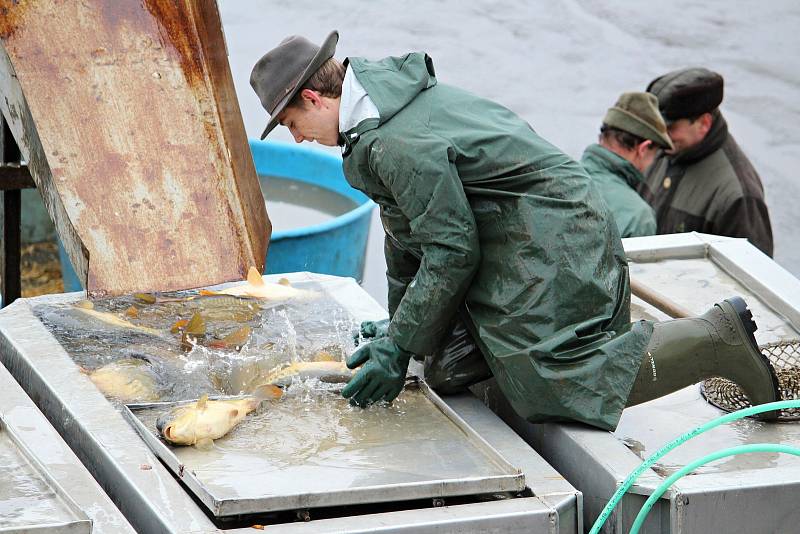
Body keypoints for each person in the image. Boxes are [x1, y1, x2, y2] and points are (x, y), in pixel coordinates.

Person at [250, 31, 780, 430]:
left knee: (554, 387)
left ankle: (715, 338)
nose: (296, 140)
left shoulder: (396, 140)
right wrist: (399, 333)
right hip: (512, 231)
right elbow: (405, 234)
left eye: (292, 124)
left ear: (314, 100)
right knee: (447, 366)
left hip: (553, 237)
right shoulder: (378, 119)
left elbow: (451, 250)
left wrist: (400, 345)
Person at [641, 67, 773, 256]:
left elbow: (753, 277)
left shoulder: (739, 196)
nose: (659, 136)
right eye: (655, 126)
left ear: (704, 123)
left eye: (670, 128)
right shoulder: (663, 148)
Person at [580, 92, 672, 238]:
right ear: (643, 149)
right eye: (655, 155)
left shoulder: (559, 180)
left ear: (602, 137)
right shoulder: (638, 217)